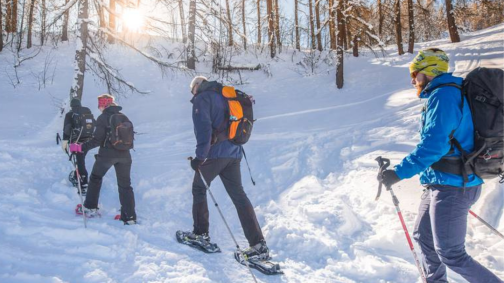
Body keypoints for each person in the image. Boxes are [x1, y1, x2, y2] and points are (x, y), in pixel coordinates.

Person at [378, 49, 503, 283]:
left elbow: (434, 145)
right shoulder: (444, 93)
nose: (413, 79)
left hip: (454, 186)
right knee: (423, 238)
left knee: (452, 254)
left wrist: (399, 173)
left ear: (428, 72)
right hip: (441, 182)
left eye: (415, 73)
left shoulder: (444, 95)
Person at [182, 76, 269, 260]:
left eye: (192, 89)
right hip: (234, 153)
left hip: (215, 154)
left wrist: (199, 157)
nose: (192, 93)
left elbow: (204, 129)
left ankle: (200, 234)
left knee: (199, 188)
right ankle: (258, 244)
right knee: (239, 195)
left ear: (197, 86)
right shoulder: (226, 95)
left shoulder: (202, 98)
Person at [69, 94, 137, 225]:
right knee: (125, 186)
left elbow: (97, 140)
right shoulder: (123, 116)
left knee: (95, 178)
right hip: (125, 155)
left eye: (99, 105)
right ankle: (129, 217)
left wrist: (80, 148)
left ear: (103, 105)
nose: (99, 108)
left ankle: (90, 208)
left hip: (107, 155)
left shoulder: (103, 117)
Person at [62, 98, 93, 195]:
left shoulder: (70, 114)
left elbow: (67, 129)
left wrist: (65, 142)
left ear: (71, 106)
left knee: (79, 162)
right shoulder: (87, 112)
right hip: (88, 141)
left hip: (76, 142)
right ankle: (77, 175)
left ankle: (84, 184)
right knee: (80, 159)